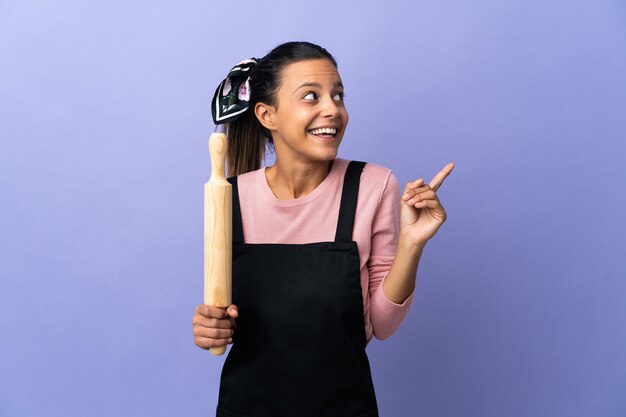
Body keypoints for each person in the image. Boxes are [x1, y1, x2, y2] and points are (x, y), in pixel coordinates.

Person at [192, 41, 454, 417]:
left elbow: (381, 324)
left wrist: (412, 244)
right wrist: (209, 327)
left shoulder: (372, 186)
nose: (332, 109)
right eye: (311, 96)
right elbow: (220, 314)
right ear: (267, 115)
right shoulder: (228, 197)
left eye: (338, 95)